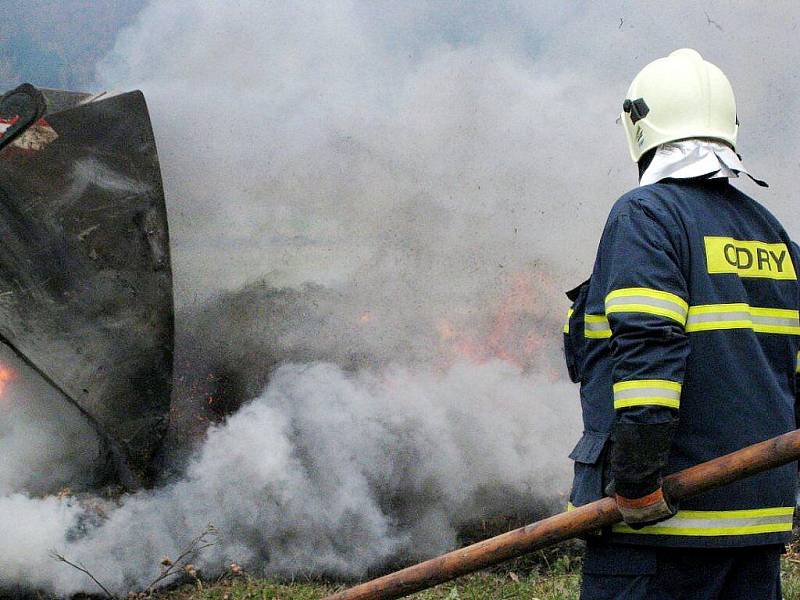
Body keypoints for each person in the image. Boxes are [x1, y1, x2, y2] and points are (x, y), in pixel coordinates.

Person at [563, 48, 800, 599]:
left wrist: (638, 482)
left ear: (639, 126)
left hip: (662, 534)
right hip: (755, 531)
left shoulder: (647, 216)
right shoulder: (773, 235)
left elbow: (649, 357)